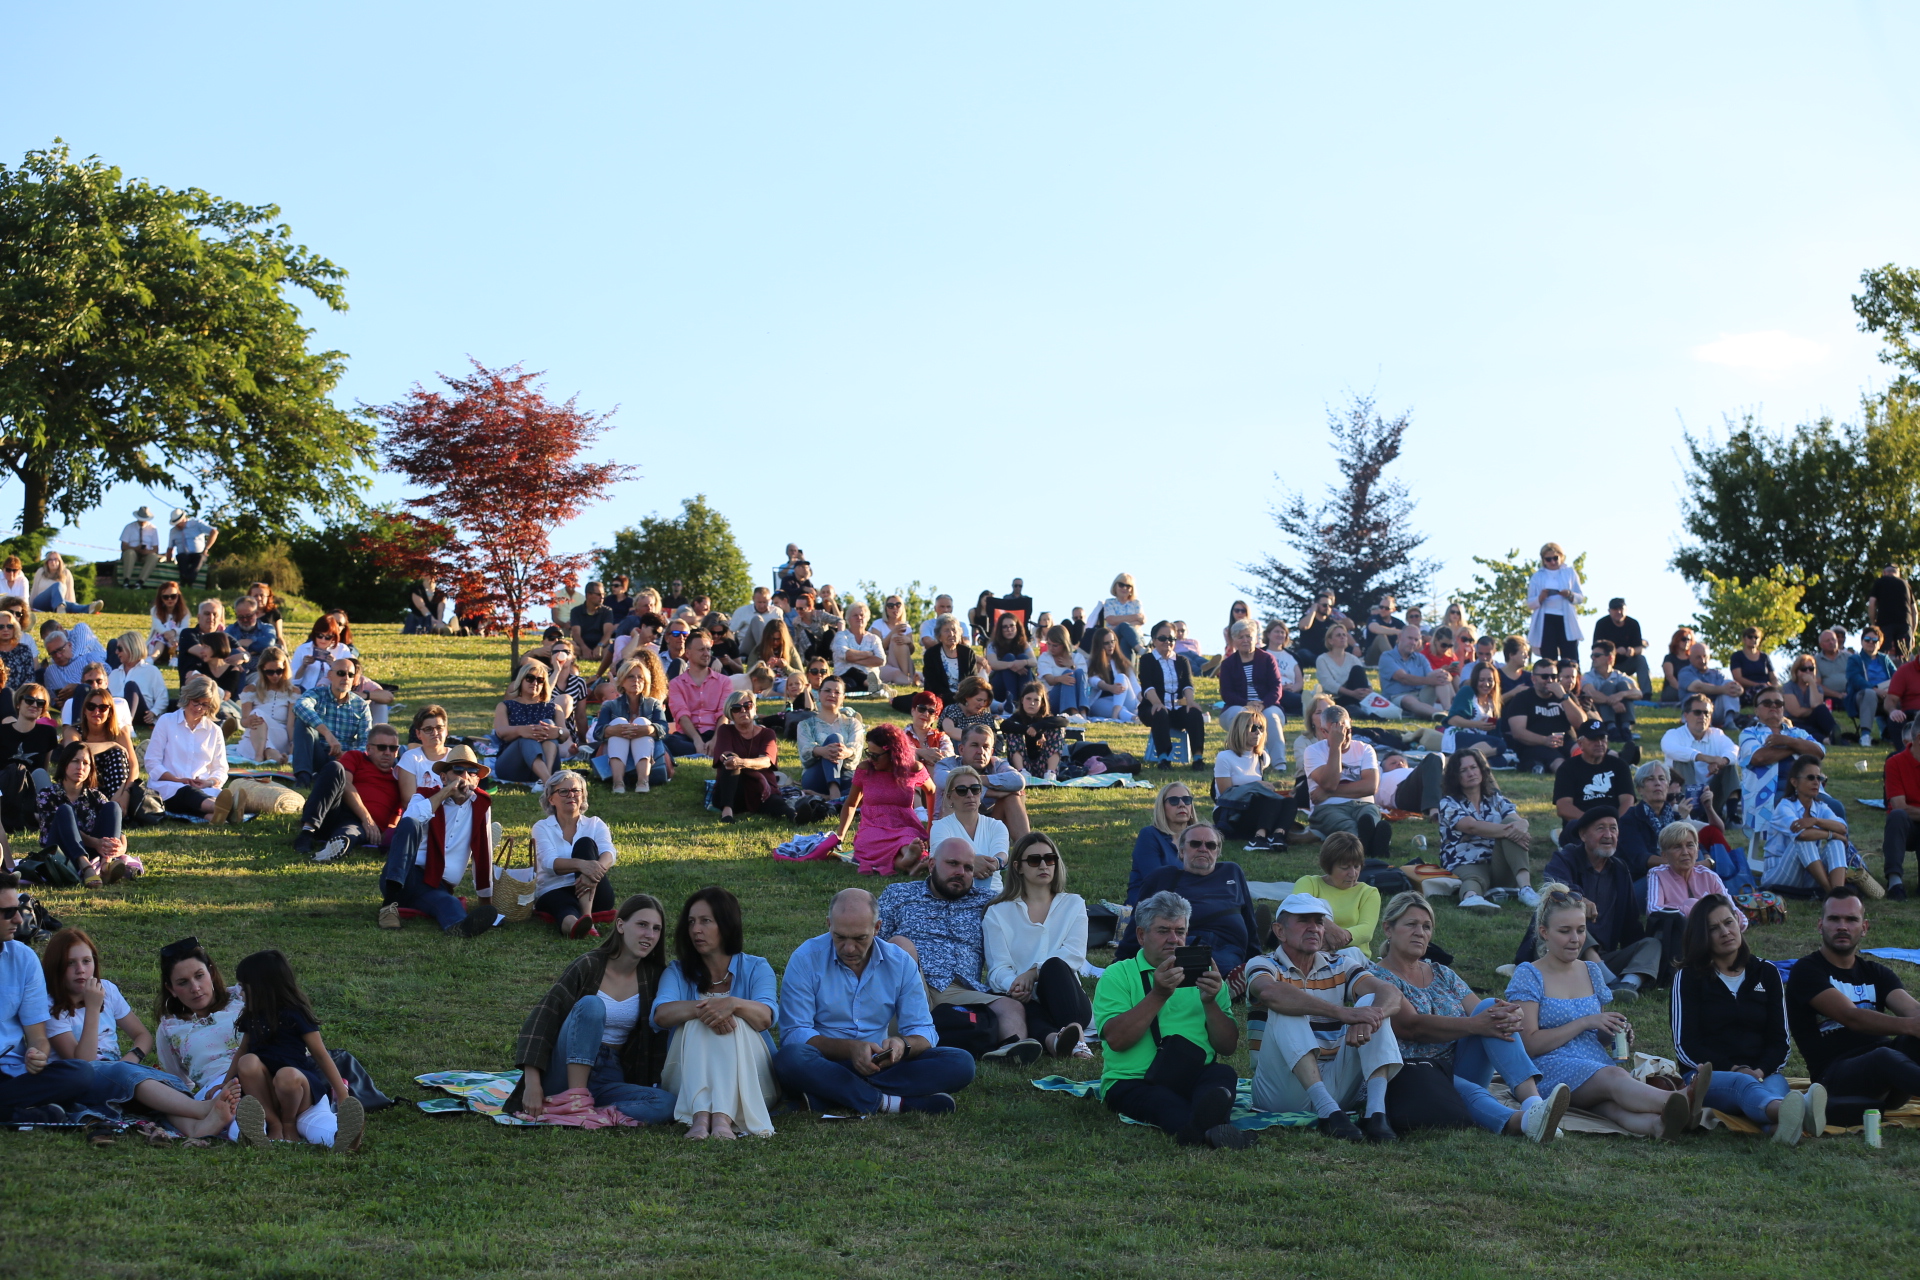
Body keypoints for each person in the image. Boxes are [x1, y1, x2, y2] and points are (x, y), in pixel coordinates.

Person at [1370, 893, 1570, 1141]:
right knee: (1466, 1087)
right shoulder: (1376, 978)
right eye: (1411, 924)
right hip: (1415, 1075)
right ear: (1388, 929)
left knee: (1490, 1008)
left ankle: (1533, 1103)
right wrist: (1476, 1025)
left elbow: (1481, 1011)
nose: (1420, 932)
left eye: (1426, 926)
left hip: (1460, 1064)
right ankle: (1523, 1122)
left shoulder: (1442, 972)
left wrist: (1508, 1013)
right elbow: (1412, 1027)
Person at [1507, 887, 1699, 1139]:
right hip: (1547, 1070)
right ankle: (1682, 1100)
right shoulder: (1529, 974)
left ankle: (1659, 1126)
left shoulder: (1590, 971)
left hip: (1592, 1064)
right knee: (1614, 1077)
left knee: (1610, 1107)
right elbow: (1529, 1044)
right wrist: (1586, 1021)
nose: (1575, 939)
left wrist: (1611, 1031)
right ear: (1544, 932)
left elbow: (1595, 1037)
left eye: (1581, 929)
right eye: (1565, 931)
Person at [774, 887, 976, 1115]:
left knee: (961, 1062)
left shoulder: (899, 962)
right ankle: (892, 1103)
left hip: (880, 1063)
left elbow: (922, 1029)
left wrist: (903, 1045)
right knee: (790, 1059)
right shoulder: (806, 958)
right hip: (826, 1061)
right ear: (829, 924)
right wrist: (850, 1049)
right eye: (840, 937)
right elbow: (794, 1034)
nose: (849, 948)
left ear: (877, 928)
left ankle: (829, 1095)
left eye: (860, 938)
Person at [1089, 889, 1252, 1149]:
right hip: (1133, 1079)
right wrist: (1158, 994)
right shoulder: (1118, 975)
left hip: (1193, 1072)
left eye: (1180, 931)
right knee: (1162, 1102)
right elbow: (1117, 1040)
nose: (1174, 939)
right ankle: (1211, 1129)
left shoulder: (1205, 974)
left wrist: (1210, 1003)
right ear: (1141, 936)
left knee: (1222, 1073)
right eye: (1163, 931)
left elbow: (1227, 1047)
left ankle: (1198, 1129)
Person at [39, 928, 233, 1135]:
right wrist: (93, 1008)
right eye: (71, 963)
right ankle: (203, 1108)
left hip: (117, 1071)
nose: (81, 969)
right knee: (133, 1079)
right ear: (56, 966)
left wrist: (128, 1062)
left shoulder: (108, 990)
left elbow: (142, 1036)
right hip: (80, 1080)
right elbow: (84, 1065)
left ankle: (196, 1128)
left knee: (157, 1085)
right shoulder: (49, 1007)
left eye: (87, 961)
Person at [505, 893, 674, 1126]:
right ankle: (575, 1101)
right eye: (642, 925)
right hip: (563, 1070)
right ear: (621, 925)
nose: (649, 935)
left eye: (656, 929)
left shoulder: (654, 977)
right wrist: (533, 1085)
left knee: (666, 1104)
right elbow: (543, 1020)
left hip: (608, 1076)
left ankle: (587, 1113)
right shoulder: (589, 965)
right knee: (592, 1005)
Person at [1245, 892, 1402, 1142]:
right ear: (1279, 931)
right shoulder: (1262, 963)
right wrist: (1342, 1012)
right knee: (1286, 1003)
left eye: (1319, 922)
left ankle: (1375, 1113)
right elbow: (1269, 991)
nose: (1314, 928)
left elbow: (1390, 992)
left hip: (1336, 1084)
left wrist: (1367, 1017)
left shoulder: (1339, 963)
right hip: (1278, 1090)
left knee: (1373, 1003)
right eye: (1304, 920)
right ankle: (1329, 1113)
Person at [1669, 895, 1811, 1142]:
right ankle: (1802, 1111)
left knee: (1769, 1089)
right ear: (1702, 936)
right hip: (1708, 1076)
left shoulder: (1767, 973)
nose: (1725, 932)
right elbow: (1685, 1045)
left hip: (1762, 1073)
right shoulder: (1689, 978)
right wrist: (1737, 1069)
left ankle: (1777, 1128)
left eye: (1728, 922)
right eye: (1714, 928)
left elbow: (1780, 1041)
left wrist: (1760, 1070)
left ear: (1738, 921)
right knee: (1741, 1084)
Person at [880, 839, 1036, 1062]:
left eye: (968, 868)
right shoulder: (899, 894)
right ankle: (908, 1032)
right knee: (900, 944)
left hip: (959, 988)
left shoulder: (989, 903)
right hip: (911, 983)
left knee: (1010, 1007)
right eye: (953, 864)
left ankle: (1011, 1050)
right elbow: (873, 943)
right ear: (932, 864)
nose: (960, 872)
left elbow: (1028, 915)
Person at [1784, 884, 1920, 1127]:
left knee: (1911, 1043)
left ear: (1864, 927)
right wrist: (1910, 1025)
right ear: (1820, 925)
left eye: (1851, 919)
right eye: (1834, 919)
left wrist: (1914, 1025)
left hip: (1890, 1078)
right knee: (1885, 1055)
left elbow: (1914, 1011)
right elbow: (1851, 1017)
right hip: (1835, 1077)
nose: (1842, 926)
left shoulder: (1876, 972)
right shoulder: (1807, 971)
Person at [649, 887, 780, 1139]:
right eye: (691, 922)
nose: (696, 929)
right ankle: (703, 1117)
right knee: (699, 1018)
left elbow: (765, 1017)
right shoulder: (677, 971)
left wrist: (732, 1004)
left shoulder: (757, 967)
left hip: (753, 1083)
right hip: (685, 1079)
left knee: (735, 1020)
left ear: (726, 924)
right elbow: (661, 1015)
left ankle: (718, 1118)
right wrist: (709, 1010)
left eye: (705, 921)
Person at [223, 950, 362, 1150]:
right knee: (248, 1061)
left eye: (244, 988)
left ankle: (341, 1138)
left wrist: (341, 1094)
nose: (241, 994)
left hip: (298, 1092)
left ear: (262, 988)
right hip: (264, 1094)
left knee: (289, 1080)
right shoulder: (251, 1016)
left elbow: (320, 1055)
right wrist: (225, 1084)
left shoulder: (295, 1014)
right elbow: (241, 1052)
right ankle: (272, 1125)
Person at [1525, 809, 1663, 999]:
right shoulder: (1566, 858)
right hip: (1562, 953)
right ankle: (1607, 983)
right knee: (1575, 921)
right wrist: (1580, 899)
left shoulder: (1620, 869)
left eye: (1613, 829)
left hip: (1603, 957)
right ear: (1583, 835)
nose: (1609, 835)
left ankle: (1628, 985)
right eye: (1601, 829)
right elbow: (1555, 885)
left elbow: (1631, 923)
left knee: (1651, 944)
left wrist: (1641, 952)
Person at [984, 833, 1093, 1060]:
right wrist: (1016, 986)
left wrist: (1032, 973)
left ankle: (1076, 1036)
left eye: (1049, 858)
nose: (1043, 865)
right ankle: (1055, 1042)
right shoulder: (998, 912)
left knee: (1054, 965)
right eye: (1034, 860)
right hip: (1024, 999)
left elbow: (1074, 955)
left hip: (1065, 997)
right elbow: (997, 968)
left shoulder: (1073, 904)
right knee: (1026, 1008)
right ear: (1018, 867)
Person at [375, 745, 496, 936]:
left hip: (437, 885)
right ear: (443, 777)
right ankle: (388, 906)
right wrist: (445, 794)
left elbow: (484, 850)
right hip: (406, 876)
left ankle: (459, 927)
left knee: (448, 902)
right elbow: (409, 820)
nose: (465, 776)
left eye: (472, 772)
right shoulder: (424, 795)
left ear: (477, 779)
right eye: (458, 770)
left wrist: (486, 902)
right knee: (410, 824)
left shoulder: (481, 805)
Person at [1122, 824, 1260, 984]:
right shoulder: (1163, 877)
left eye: (1210, 845)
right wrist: (1121, 960)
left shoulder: (1232, 871)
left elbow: (1248, 918)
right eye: (1195, 844)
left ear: (1217, 852)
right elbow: (1139, 919)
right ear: (1181, 851)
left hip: (1229, 946)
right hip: (1187, 942)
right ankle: (1228, 983)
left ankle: (1236, 979)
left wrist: (1256, 961)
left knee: (1221, 965)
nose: (1203, 849)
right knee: (1189, 964)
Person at [1438, 747, 1538, 913]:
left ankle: (1526, 889)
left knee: (1510, 826)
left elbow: (1516, 820)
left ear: (1482, 770)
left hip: (1496, 861)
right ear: (1455, 776)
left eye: (1473, 767)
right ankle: (1471, 898)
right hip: (1465, 860)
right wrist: (1509, 830)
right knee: (1473, 879)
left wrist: (1521, 824)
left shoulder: (1495, 799)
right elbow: (1471, 826)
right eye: (1463, 770)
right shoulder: (1448, 803)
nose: (1470, 773)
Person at [833, 723, 934, 874]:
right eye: (869, 753)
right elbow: (851, 803)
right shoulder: (865, 769)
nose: (871, 759)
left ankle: (909, 856)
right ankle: (912, 862)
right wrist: (840, 835)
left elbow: (932, 792)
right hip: (873, 827)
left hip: (903, 826)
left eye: (875, 755)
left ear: (893, 753)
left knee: (906, 839)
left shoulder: (913, 768)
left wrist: (931, 827)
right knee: (875, 843)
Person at [530, 772, 617, 939]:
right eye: (563, 791)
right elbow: (549, 862)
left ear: (582, 795)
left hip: (595, 891)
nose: (571, 795)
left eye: (576, 790)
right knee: (564, 908)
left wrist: (592, 871)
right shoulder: (542, 827)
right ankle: (574, 927)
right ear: (551, 798)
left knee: (585, 843)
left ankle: (587, 917)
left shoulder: (595, 823)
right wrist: (581, 865)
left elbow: (609, 852)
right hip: (555, 889)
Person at [32, 741, 130, 888]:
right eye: (75, 761)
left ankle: (106, 865)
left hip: (92, 851)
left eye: (85, 763)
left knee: (113, 807)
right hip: (60, 849)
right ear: (64, 764)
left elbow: (117, 829)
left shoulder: (95, 796)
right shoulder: (47, 795)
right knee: (65, 810)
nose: (80, 767)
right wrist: (96, 843)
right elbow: (61, 829)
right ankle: (85, 867)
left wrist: (121, 847)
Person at [1302, 705, 1392, 862]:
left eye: (1347, 731)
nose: (1345, 737)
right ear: (1324, 732)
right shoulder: (1313, 751)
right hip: (1328, 808)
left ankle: (1368, 844)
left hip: (1363, 804)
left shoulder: (1365, 749)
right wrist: (1335, 747)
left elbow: (1370, 787)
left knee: (1368, 817)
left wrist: (1329, 793)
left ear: (1351, 723)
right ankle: (1372, 846)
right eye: (1338, 733)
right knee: (1348, 828)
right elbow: (1329, 782)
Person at [1738, 685, 1827, 840]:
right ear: (1756, 710)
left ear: (1783, 709)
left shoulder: (1797, 733)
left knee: (1836, 808)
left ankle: (1840, 860)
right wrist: (1796, 747)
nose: (1773, 706)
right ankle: (1805, 861)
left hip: (1807, 790)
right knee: (1797, 815)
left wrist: (1787, 741)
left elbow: (1819, 752)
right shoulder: (1749, 733)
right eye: (1766, 703)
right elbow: (1759, 758)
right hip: (1768, 797)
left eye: (1778, 703)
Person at [1761, 755, 1853, 898]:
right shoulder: (1784, 806)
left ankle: (1839, 894)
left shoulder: (1820, 806)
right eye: (1811, 778)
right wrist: (1832, 834)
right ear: (1794, 782)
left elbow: (1842, 828)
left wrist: (1816, 821)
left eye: (1820, 778)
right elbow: (1802, 834)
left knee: (1836, 843)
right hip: (1778, 875)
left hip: (1808, 874)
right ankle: (1832, 895)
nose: (1816, 782)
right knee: (1804, 840)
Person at [1210, 710, 1294, 852]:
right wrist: (1256, 786)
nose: (1258, 732)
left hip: (1254, 809)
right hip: (1231, 813)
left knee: (1290, 801)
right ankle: (1258, 838)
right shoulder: (1224, 757)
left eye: (1261, 728)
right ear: (1240, 730)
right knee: (1269, 800)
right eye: (1253, 728)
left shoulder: (1262, 757)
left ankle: (1277, 836)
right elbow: (1226, 794)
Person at [930, 723, 1031, 842]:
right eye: (975, 745)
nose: (981, 751)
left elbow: (1019, 781)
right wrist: (993, 793)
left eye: (986, 746)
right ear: (962, 749)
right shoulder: (946, 764)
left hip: (987, 828)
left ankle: (1026, 851)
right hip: (950, 833)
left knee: (1012, 797)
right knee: (955, 792)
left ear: (992, 751)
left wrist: (977, 780)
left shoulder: (997, 764)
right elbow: (944, 781)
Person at [144, 674, 227, 818]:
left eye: (205, 704)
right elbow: (152, 762)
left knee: (202, 797)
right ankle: (222, 809)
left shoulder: (214, 730)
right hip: (169, 786)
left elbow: (220, 769)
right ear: (187, 698)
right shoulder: (166, 721)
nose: (199, 708)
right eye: (196, 702)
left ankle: (214, 814)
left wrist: (208, 782)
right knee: (187, 792)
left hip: (203, 790)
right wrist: (177, 780)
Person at [708, 691, 797, 824]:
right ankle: (727, 813)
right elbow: (726, 758)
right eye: (737, 708)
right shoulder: (725, 731)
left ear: (755, 709)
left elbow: (766, 761)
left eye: (747, 705)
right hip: (732, 791)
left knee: (777, 804)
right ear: (730, 714)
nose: (743, 710)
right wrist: (758, 775)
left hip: (760, 790)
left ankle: (796, 816)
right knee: (731, 761)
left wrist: (743, 764)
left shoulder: (768, 733)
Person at [1292, 833, 1383, 956]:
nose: (1352, 873)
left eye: (1356, 866)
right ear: (1329, 866)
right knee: (1318, 905)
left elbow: (1366, 930)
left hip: (1351, 956)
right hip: (1314, 949)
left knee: (1352, 952)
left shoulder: (1368, 893)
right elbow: (1296, 908)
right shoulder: (1309, 883)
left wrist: (1338, 938)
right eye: (1345, 867)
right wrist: (1327, 925)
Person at [590, 656, 669, 795]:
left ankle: (643, 781)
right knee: (619, 722)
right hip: (617, 748)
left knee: (642, 722)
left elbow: (664, 729)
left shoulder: (654, 704)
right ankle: (618, 782)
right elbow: (598, 732)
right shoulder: (610, 705)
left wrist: (648, 729)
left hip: (649, 749)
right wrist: (613, 730)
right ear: (622, 680)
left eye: (640, 677)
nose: (636, 681)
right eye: (631, 677)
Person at [927, 766, 1011, 893]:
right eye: (962, 790)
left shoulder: (996, 826)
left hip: (993, 894)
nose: (970, 795)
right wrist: (972, 864)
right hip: (952, 894)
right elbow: (942, 859)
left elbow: (1001, 854)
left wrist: (996, 863)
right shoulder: (940, 827)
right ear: (949, 797)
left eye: (975, 789)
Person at [291, 656, 372, 784]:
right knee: (303, 722)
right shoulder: (317, 693)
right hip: (316, 752)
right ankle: (303, 778)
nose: (345, 678)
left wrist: (349, 755)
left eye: (350, 675)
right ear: (330, 675)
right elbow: (300, 706)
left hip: (343, 759)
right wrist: (327, 734)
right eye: (341, 673)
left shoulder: (361, 706)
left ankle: (322, 777)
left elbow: (366, 743)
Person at [65, 680, 139, 819]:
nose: (96, 711)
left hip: (116, 789)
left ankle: (113, 809)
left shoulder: (119, 733)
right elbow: (72, 752)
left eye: (103, 707)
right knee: (84, 759)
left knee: (118, 754)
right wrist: (112, 744)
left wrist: (126, 795)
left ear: (110, 712)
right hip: (84, 783)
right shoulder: (73, 731)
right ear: (84, 710)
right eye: (91, 706)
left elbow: (134, 767)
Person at [1552, 721, 1635, 840]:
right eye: (1593, 739)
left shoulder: (1619, 766)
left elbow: (1628, 801)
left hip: (1616, 825)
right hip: (1582, 826)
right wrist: (1592, 823)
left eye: (1602, 738)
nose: (1599, 743)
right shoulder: (1567, 768)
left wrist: (1613, 825)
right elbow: (1563, 807)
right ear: (1580, 744)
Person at [1661, 693, 1739, 817]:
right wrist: (1705, 758)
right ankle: (1690, 813)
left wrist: (1722, 761)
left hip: (1711, 796)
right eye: (1697, 712)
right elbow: (1669, 748)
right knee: (1682, 760)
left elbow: (1734, 750)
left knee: (1729, 763)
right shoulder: (1674, 734)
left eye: (1706, 713)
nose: (1702, 716)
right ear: (1686, 715)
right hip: (1681, 799)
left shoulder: (1717, 734)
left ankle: (1732, 815)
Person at [1217, 619, 1288, 755]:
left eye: (1249, 636)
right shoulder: (1227, 664)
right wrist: (1247, 704)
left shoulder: (1267, 659)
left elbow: (1276, 688)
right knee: (1242, 716)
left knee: (1270, 716)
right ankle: (1247, 759)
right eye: (1240, 637)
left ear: (1255, 638)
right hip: (1237, 706)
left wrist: (1263, 705)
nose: (1245, 640)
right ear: (1233, 640)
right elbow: (1227, 693)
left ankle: (1279, 764)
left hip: (1268, 705)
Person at [1616, 760, 1693, 879]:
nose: (1657, 783)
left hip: (1678, 873)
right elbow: (1641, 858)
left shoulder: (1676, 819)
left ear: (1667, 786)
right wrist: (1678, 863)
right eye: (1650, 779)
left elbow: (1699, 848)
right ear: (1640, 789)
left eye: (1662, 779)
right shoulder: (1629, 820)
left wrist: (1710, 861)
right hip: (1643, 879)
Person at [490, 660, 563, 784]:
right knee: (527, 737)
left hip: (548, 765)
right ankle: (548, 782)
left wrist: (557, 731)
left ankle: (545, 777)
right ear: (521, 680)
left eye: (540, 680)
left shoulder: (554, 708)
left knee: (547, 724)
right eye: (530, 678)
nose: (535, 683)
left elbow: (565, 734)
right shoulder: (505, 706)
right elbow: (500, 732)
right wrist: (521, 730)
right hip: (512, 767)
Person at [1503, 659, 1577, 773]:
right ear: (1533, 679)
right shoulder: (1522, 698)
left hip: (1567, 742)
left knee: (1582, 752)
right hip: (1537, 745)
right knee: (1558, 761)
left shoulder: (1565, 696)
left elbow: (1581, 722)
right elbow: (1518, 732)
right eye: (1545, 677)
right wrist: (1545, 740)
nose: (1550, 680)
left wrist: (1563, 697)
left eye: (1554, 676)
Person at [1129, 782, 1197, 905]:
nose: (1182, 804)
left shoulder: (1199, 839)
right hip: (1152, 908)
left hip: (1190, 905)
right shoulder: (1149, 835)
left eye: (1186, 800)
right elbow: (1156, 882)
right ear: (1162, 807)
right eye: (1174, 801)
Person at [797, 676, 864, 799]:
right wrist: (821, 751)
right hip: (816, 776)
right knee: (835, 739)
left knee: (863, 788)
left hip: (845, 775)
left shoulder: (853, 723)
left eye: (837, 692)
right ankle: (834, 791)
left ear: (843, 697)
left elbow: (857, 749)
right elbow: (805, 751)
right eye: (827, 690)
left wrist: (846, 752)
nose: (832, 694)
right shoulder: (805, 724)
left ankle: (824, 797)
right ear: (818, 694)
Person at [667, 633, 730, 757]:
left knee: (735, 738)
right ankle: (708, 751)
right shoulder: (676, 683)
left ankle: (707, 750)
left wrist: (715, 739)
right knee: (667, 741)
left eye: (708, 649)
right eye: (701, 650)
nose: (707, 654)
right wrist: (697, 740)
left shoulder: (724, 681)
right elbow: (681, 714)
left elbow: (724, 714)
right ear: (688, 653)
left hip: (716, 732)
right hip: (688, 735)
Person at [1525, 543, 1584, 663]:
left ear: (1561, 557)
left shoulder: (1570, 573)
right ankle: (1549, 680)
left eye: (1555, 558)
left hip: (1566, 617)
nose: (1552, 562)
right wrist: (1540, 597)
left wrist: (1569, 594)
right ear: (1543, 560)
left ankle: (1573, 679)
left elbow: (1580, 597)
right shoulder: (1537, 576)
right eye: (1548, 559)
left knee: (1570, 656)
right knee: (1549, 657)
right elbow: (1530, 603)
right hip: (1546, 619)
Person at [1378, 625, 1453, 719]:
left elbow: (1431, 675)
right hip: (1397, 697)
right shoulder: (1387, 656)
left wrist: (1445, 676)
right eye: (1410, 638)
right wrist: (1431, 680)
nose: (1413, 642)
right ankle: (1439, 714)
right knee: (1408, 699)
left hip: (1421, 695)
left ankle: (1449, 710)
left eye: (1416, 640)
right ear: (1400, 637)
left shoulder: (1420, 658)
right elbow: (1403, 678)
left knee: (1440, 675)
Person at [1000, 681, 1065, 781]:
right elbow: (1004, 725)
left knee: (1057, 729)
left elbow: (1063, 721)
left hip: (1043, 763)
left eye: (1036, 700)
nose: (1032, 703)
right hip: (1023, 763)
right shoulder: (1017, 718)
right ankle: (1021, 771)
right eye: (1028, 699)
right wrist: (1032, 732)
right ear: (1022, 700)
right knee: (1013, 731)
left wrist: (1037, 726)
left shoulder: (1046, 719)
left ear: (1042, 703)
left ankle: (1051, 773)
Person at [1590, 598, 1651, 699]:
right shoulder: (1602, 624)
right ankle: (1593, 691)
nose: (1618, 612)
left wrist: (1632, 651)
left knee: (1641, 659)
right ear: (1609, 611)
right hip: (1607, 663)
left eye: (1621, 609)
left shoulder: (1633, 624)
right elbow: (1596, 648)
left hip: (1627, 663)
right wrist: (1614, 652)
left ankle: (1646, 694)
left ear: (1626, 609)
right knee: (1596, 659)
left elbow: (1640, 648)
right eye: (1615, 609)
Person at [1846, 626, 1897, 744]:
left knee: (1903, 695)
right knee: (1869, 694)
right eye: (1867, 639)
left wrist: (1892, 691)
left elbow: (1897, 677)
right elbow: (1855, 679)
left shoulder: (1884, 659)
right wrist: (1875, 690)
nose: (1871, 642)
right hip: (1863, 696)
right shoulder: (1855, 659)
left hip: (1887, 693)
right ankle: (1865, 736)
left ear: (1880, 643)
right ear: (1862, 641)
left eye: (1875, 640)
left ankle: (1895, 734)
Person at [1446, 661, 1507, 757]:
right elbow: (1452, 720)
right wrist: (1477, 724)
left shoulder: (1492, 701)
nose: (1486, 684)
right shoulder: (1467, 691)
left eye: (1490, 680)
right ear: (1475, 680)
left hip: (1480, 740)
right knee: (1499, 744)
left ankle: (1467, 757)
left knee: (1499, 761)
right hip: (1459, 736)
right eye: (1482, 680)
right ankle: (1458, 758)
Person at [1583, 640, 1639, 743]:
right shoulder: (1588, 676)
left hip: (1620, 714)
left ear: (1609, 658)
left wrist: (1622, 694)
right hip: (1600, 717)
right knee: (1608, 686)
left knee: (1624, 686)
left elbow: (1638, 693)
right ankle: (1611, 729)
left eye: (1597, 655)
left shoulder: (1619, 675)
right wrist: (1613, 701)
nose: (1593, 658)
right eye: (1592, 656)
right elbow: (1590, 694)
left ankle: (1626, 728)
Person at [919, 614, 979, 710]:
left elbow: (973, 680)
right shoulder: (931, 654)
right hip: (940, 697)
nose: (951, 634)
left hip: (965, 697)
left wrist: (964, 696)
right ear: (939, 636)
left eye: (954, 630)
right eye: (946, 630)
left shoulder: (968, 653)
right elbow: (932, 684)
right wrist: (953, 697)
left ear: (960, 634)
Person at [1680, 643, 1743, 728]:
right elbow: (1697, 687)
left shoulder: (1716, 673)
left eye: (1705, 656)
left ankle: (1729, 721)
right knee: (1696, 697)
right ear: (1690, 658)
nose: (1703, 660)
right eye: (1698, 657)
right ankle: (1706, 725)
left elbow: (1730, 687)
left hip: (1715, 710)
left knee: (1729, 683)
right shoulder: (1685, 672)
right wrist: (1723, 689)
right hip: (1695, 712)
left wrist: (1739, 689)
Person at [1083, 626, 1140, 722]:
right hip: (1101, 702)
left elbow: (1135, 687)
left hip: (1126, 701)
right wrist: (1110, 687)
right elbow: (1093, 680)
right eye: (1106, 643)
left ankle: (1115, 715)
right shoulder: (1091, 663)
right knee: (1120, 709)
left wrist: (1145, 702)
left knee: (1121, 677)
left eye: (1113, 641)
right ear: (1099, 645)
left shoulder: (1122, 662)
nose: (1111, 645)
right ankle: (1133, 718)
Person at [1781, 652, 1839, 744]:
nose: (1808, 672)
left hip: (1812, 720)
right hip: (1794, 721)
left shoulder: (1817, 687)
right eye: (1804, 669)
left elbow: (1816, 705)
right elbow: (1796, 712)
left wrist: (1812, 683)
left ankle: (1835, 733)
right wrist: (1813, 710)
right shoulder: (1788, 687)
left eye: (1811, 669)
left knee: (1822, 709)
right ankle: (1826, 740)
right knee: (1802, 728)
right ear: (1796, 671)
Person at [112, 630, 164, 731]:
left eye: (120, 648)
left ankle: (128, 727)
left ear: (130, 648)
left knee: (131, 686)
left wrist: (154, 712)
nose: (116, 652)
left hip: (141, 713)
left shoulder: (151, 671)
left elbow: (162, 697)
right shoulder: (114, 673)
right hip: (116, 712)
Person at [1314, 623, 1372, 713]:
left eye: (1344, 635)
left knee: (1357, 669)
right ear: (1330, 641)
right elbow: (1328, 684)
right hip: (1336, 699)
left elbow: (1365, 681)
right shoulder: (1322, 659)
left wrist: (1368, 692)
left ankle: (1365, 705)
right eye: (1338, 635)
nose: (1342, 637)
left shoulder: (1353, 659)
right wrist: (1352, 694)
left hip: (1356, 695)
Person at [830, 602, 887, 693]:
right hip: (844, 675)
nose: (859, 618)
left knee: (854, 677)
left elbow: (880, 660)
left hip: (868, 676)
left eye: (862, 615)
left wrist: (854, 659)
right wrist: (868, 654)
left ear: (867, 618)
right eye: (855, 615)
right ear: (848, 619)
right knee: (850, 679)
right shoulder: (841, 636)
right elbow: (847, 655)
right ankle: (874, 689)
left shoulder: (874, 638)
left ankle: (872, 688)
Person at [983, 611, 1035, 709]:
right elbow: (993, 664)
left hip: (1021, 681)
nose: (1009, 629)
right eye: (1005, 627)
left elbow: (1034, 662)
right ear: (1000, 629)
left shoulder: (1024, 644)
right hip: (999, 686)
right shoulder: (993, 645)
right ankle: (1012, 702)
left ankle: (1025, 701)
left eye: (1012, 626)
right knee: (1008, 657)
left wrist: (1023, 662)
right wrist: (1012, 665)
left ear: (1017, 627)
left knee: (1023, 658)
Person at [1087, 573, 1145, 658]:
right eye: (1121, 585)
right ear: (1115, 586)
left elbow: (1142, 620)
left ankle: (1128, 670)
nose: (1124, 588)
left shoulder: (1136, 603)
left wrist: (1120, 622)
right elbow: (1111, 620)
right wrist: (1134, 618)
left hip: (1137, 637)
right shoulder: (1110, 602)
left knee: (1125, 640)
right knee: (1123, 626)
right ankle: (1139, 649)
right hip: (1114, 635)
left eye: (1128, 586)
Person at [1034, 625, 1087, 715]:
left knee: (1079, 672)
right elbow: (1050, 680)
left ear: (1064, 644)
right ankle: (1073, 712)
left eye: (1055, 645)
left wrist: (1072, 666)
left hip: (1075, 697)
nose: (1051, 648)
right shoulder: (1045, 657)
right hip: (1052, 698)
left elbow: (1083, 682)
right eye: (1048, 644)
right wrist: (1060, 679)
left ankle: (1083, 712)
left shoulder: (1078, 658)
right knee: (1068, 673)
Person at [938, 676, 997, 756]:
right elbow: (949, 730)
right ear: (966, 697)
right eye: (979, 700)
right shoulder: (952, 710)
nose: (982, 704)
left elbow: (991, 737)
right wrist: (974, 740)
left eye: (985, 701)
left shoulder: (985, 714)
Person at [30, 550, 99, 616]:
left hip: (56, 605)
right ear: (47, 562)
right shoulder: (41, 572)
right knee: (58, 585)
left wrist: (70, 606)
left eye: (55, 559)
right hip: (40, 603)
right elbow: (34, 590)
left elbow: (70, 593)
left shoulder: (66, 573)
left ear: (60, 562)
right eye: (50, 560)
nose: (53, 562)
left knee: (67, 604)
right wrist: (28, 607)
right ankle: (61, 606)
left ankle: (89, 608)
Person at [1868, 564, 1916, 659]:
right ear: (1898, 574)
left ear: (1884, 573)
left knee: (1883, 657)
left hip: (1885, 624)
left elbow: (1872, 604)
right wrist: (1912, 632)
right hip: (1904, 624)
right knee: (1904, 657)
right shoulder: (1905, 584)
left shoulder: (1879, 582)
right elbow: (1914, 611)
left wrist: (1873, 625)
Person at [1261, 620, 1308, 715]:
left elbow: (1299, 682)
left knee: (1306, 698)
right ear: (1268, 634)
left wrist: (1293, 689)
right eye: (1277, 632)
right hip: (1271, 693)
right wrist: (1279, 688)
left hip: (1292, 693)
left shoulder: (1293, 657)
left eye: (1283, 632)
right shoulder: (1260, 655)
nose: (1280, 635)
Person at [165, 509, 218, 588]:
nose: (178, 525)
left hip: (198, 553)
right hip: (183, 555)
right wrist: (168, 561)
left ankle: (189, 582)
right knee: (181, 557)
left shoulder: (196, 524)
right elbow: (170, 548)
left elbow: (214, 532)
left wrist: (206, 549)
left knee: (199, 559)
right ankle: (184, 582)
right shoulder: (173, 531)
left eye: (179, 523)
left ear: (184, 519)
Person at [903, 691, 953, 769]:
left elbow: (950, 759)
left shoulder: (941, 738)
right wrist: (920, 752)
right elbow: (893, 751)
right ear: (913, 710)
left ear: (935, 718)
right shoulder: (900, 736)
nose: (926, 714)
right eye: (921, 708)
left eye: (931, 711)